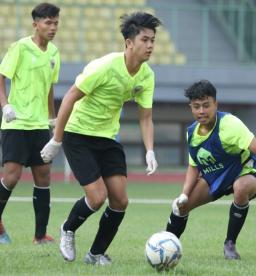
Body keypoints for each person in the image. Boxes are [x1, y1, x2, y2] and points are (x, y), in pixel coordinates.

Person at [40, 12, 161, 265]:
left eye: (153, 40)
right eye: (145, 40)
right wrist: (56, 140)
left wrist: (150, 150)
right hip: (78, 134)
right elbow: (71, 96)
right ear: (129, 42)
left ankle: (95, 254)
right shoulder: (105, 66)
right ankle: (68, 228)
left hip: (107, 137)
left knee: (120, 200)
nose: (150, 45)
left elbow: (145, 117)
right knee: (97, 198)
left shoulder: (147, 75)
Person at [166, 80, 256, 260]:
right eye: (196, 106)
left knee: (241, 188)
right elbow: (194, 166)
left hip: (245, 171)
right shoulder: (191, 133)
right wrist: (184, 194)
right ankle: (166, 247)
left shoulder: (229, 124)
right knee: (181, 207)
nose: (202, 111)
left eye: (206, 105)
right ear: (191, 107)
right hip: (216, 176)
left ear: (215, 104)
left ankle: (230, 245)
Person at [0, 3, 60, 245]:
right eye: (48, 22)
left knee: (44, 176)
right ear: (35, 24)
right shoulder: (19, 47)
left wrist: (52, 117)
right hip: (16, 123)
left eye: (56, 22)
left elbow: (50, 87)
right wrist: (5, 105)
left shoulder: (54, 54)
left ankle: (40, 236)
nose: (53, 27)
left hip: (39, 125)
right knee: (12, 176)